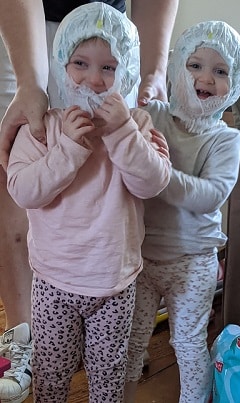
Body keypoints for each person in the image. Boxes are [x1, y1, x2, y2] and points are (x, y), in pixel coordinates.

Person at [0, 0, 178, 401]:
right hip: (52, 281)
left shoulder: (137, 125)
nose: (95, 80)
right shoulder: (41, 127)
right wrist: (68, 152)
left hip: (114, 284)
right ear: (60, 64)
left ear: (125, 72)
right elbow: (23, 190)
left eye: (109, 68)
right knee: (51, 373)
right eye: (80, 63)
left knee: (108, 375)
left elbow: (153, 182)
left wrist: (120, 133)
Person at [124, 20, 240, 403]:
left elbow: (211, 195)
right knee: (130, 343)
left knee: (189, 345)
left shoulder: (225, 139)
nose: (206, 78)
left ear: (236, 83)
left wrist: (159, 173)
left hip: (193, 262)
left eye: (221, 70)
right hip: (140, 258)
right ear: (177, 68)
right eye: (195, 65)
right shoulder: (153, 116)